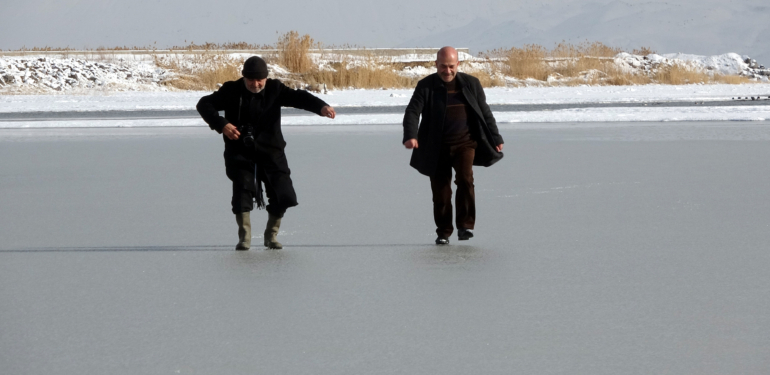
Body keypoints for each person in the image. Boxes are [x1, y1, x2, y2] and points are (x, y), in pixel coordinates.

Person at [197, 56, 336, 250]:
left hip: (272, 151)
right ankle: (244, 237)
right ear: (244, 78)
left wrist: (321, 106)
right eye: (251, 80)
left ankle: (271, 235)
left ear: (266, 77)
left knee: (285, 195)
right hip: (240, 152)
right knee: (242, 193)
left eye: (259, 80)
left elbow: (299, 97)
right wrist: (222, 124)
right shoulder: (231, 90)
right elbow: (204, 104)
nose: (256, 84)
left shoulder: (275, 89)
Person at [402, 46, 504, 245]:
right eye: (442, 66)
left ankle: (465, 226)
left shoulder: (471, 84)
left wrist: (496, 137)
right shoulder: (426, 86)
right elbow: (413, 111)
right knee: (441, 191)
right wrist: (411, 135)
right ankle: (444, 232)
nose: (447, 71)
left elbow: (484, 112)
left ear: (458, 64)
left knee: (466, 180)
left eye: (451, 66)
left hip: (466, 143)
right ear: (436, 65)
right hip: (435, 146)